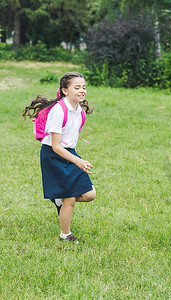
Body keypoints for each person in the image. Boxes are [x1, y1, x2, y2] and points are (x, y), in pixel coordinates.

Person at [23, 72, 96, 244]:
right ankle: (66, 234)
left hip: (69, 153)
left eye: (83, 87)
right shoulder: (58, 111)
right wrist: (78, 160)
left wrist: (75, 157)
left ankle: (58, 199)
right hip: (53, 155)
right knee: (70, 196)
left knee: (90, 194)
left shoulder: (79, 111)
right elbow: (56, 146)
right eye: (76, 87)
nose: (82, 91)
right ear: (65, 91)